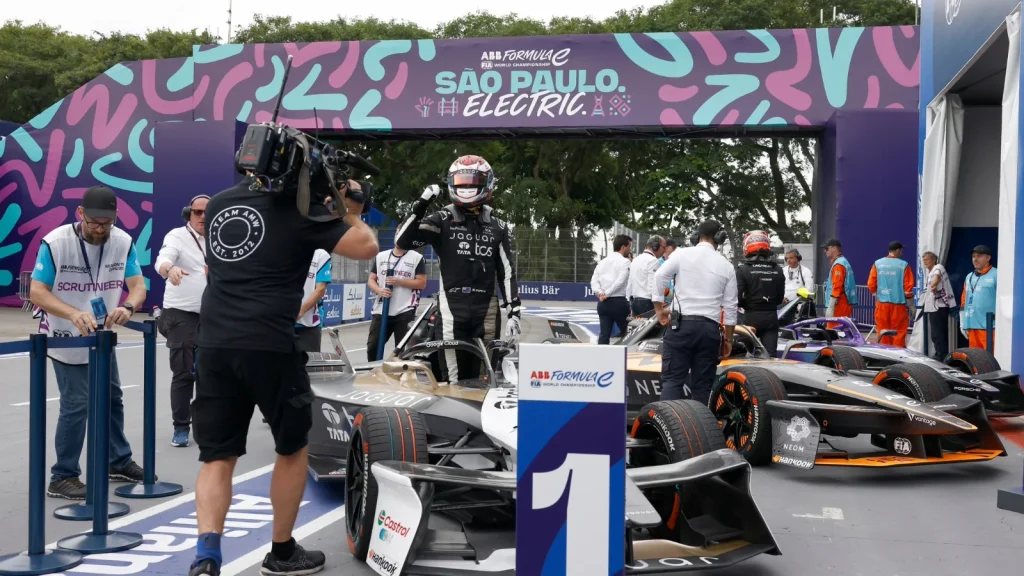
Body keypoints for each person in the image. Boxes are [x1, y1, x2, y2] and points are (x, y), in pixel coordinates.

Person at [188, 166, 378, 576]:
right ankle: (281, 551)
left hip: (216, 342)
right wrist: (340, 201)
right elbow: (366, 245)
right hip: (270, 342)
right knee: (291, 449)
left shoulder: (219, 203)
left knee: (217, 457)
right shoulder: (300, 211)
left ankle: (206, 555)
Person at [29, 185, 150, 500]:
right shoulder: (56, 243)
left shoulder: (122, 242)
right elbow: (37, 292)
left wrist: (128, 307)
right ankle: (63, 476)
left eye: (106, 224)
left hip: (101, 335)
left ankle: (118, 461)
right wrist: (72, 314)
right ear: (80, 213)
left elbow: (138, 285)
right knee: (77, 404)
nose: (99, 229)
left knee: (112, 398)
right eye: (93, 222)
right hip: (65, 334)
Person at [394, 155, 521, 382]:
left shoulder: (498, 226)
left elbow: (507, 272)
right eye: (462, 182)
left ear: (487, 183)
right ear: (453, 183)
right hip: (451, 309)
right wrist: (420, 205)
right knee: (453, 378)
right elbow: (402, 242)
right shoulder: (441, 218)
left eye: (473, 182)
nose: (467, 187)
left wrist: (514, 313)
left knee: (485, 378)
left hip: (487, 311)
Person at [652, 220, 738, 405]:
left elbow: (659, 276)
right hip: (710, 330)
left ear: (696, 236)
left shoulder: (682, 254)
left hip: (681, 326)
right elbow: (731, 307)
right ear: (719, 238)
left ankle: (667, 430)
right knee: (702, 386)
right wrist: (729, 340)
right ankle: (700, 432)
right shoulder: (726, 265)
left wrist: (659, 309)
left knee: (673, 381)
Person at [155, 194, 209, 448]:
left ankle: (207, 425)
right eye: (197, 212)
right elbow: (163, 259)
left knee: (212, 373)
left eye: (207, 212)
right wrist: (170, 269)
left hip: (213, 315)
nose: (202, 217)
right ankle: (180, 428)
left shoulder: (221, 238)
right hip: (181, 314)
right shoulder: (177, 236)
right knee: (185, 372)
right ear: (188, 213)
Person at [366, 244, 427, 361]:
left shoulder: (417, 258)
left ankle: (400, 376)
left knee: (402, 351)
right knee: (373, 346)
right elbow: (371, 279)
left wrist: (400, 282)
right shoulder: (381, 256)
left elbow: (421, 283)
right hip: (381, 309)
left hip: (405, 309)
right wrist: (379, 290)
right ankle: (373, 373)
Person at [735, 231, 786, 356]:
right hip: (771, 318)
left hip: (750, 317)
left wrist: (748, 303)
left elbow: (737, 299)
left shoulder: (743, 269)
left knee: (743, 356)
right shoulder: (778, 269)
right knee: (770, 358)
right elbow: (779, 299)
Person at [867, 241, 915, 347]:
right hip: (898, 305)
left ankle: (885, 356)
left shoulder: (878, 263)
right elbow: (908, 288)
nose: (902, 252)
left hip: (882, 304)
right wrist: (911, 305)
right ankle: (898, 356)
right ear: (898, 250)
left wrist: (878, 294)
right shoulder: (904, 265)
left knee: (883, 331)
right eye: (901, 250)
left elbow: (871, 284)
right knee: (898, 332)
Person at [590, 235, 632, 344]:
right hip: (618, 302)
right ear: (623, 247)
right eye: (629, 246)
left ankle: (602, 358)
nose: (630, 249)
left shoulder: (602, 262)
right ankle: (626, 358)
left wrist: (600, 293)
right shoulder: (625, 262)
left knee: (604, 335)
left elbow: (594, 281)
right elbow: (620, 281)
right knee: (629, 334)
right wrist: (606, 294)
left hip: (603, 304)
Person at [960, 245, 997, 350]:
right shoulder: (969, 276)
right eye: (973, 256)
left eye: (979, 256)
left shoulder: (996, 274)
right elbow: (964, 299)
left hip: (989, 327)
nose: (975, 259)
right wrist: (963, 321)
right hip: (972, 326)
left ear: (988, 258)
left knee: (990, 360)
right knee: (976, 361)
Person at [294, 249, 332, 352]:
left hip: (309, 323)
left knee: (309, 365)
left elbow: (320, 289)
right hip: (280, 322)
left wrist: (301, 311)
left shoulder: (320, 255)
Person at [922, 251, 955, 358]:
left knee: (938, 334)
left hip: (939, 307)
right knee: (936, 334)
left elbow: (936, 277)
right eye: (923, 260)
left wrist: (934, 285)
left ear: (934, 260)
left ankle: (941, 356)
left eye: (927, 259)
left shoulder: (938, 267)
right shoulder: (929, 272)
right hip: (933, 307)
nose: (924, 262)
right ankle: (940, 354)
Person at [627, 236, 665, 316]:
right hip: (647, 302)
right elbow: (653, 286)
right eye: (663, 247)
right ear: (655, 246)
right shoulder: (653, 261)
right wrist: (659, 307)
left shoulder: (636, 260)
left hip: (634, 301)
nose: (664, 251)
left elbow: (629, 284)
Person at [823, 238, 857, 325]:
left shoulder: (838, 265)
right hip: (843, 303)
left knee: (834, 332)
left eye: (827, 249)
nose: (825, 251)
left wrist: (831, 307)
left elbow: (837, 287)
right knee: (842, 331)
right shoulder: (843, 262)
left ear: (834, 248)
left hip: (838, 305)